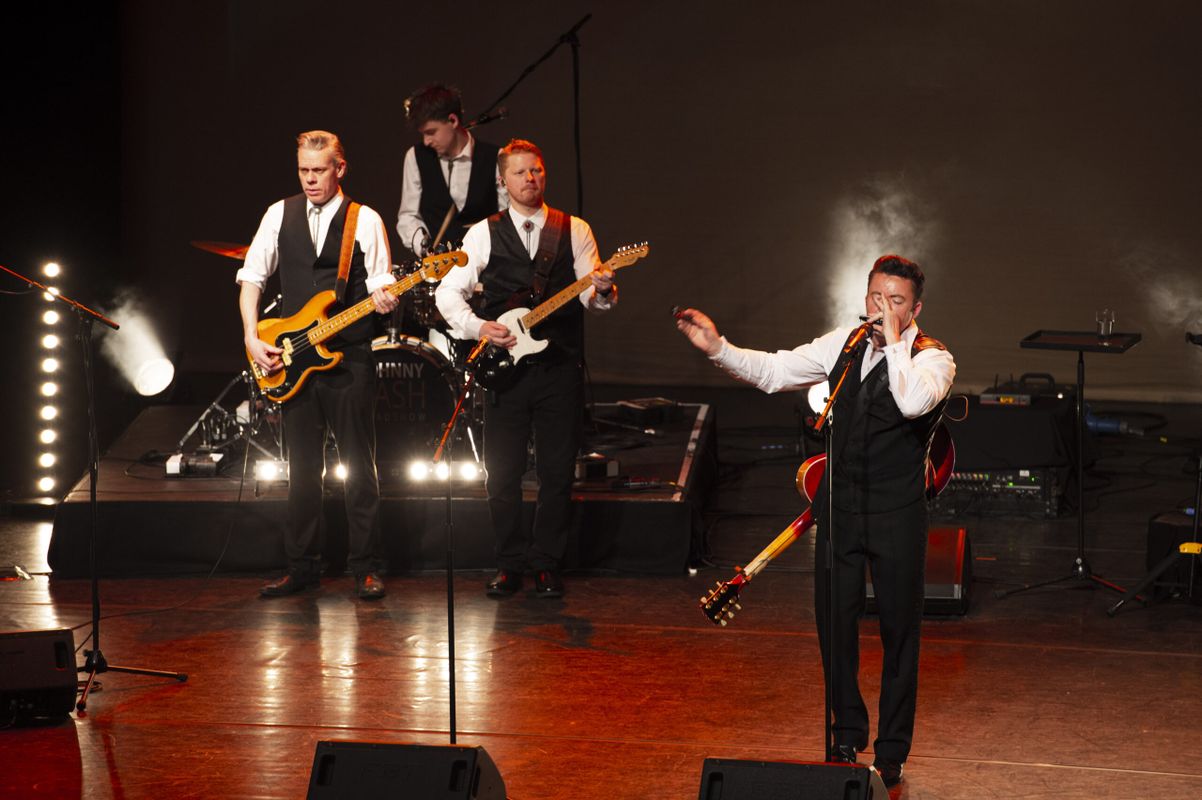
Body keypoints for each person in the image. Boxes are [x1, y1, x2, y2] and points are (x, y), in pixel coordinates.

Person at [675, 255, 955, 789]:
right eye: (876, 298)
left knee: (900, 635)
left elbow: (912, 401)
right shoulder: (844, 344)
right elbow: (777, 371)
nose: (881, 310)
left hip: (897, 512)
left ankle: (892, 752)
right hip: (840, 508)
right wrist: (719, 349)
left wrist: (895, 341)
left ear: (915, 308)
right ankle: (845, 736)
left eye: (895, 302)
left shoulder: (933, 358)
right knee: (834, 627)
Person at [435, 139, 616, 598]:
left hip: (559, 368)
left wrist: (602, 290)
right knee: (503, 473)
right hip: (506, 370)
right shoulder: (481, 233)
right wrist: (479, 328)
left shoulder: (573, 229)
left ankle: (546, 564)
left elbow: (590, 301)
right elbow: (445, 294)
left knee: (557, 472)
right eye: (520, 173)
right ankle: (508, 562)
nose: (530, 179)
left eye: (536, 171)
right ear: (502, 180)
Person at [237, 130, 399, 601]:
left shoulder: (363, 219)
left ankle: (365, 566)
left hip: (348, 356)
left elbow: (381, 281)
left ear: (339, 169)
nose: (310, 179)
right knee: (303, 469)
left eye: (319, 170)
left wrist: (385, 299)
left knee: (359, 467)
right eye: (304, 170)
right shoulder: (278, 213)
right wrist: (252, 336)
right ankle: (301, 566)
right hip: (292, 357)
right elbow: (251, 278)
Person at [396, 83, 509, 255]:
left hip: (487, 267)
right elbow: (408, 216)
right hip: (438, 270)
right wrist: (426, 248)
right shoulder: (416, 156)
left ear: (453, 120)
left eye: (431, 132)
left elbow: (506, 216)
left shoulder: (495, 157)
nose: (426, 141)